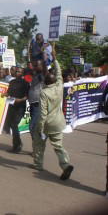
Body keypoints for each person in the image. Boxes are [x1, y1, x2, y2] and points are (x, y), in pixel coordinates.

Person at [32, 50, 74, 181]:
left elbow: (43, 113)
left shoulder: (44, 93)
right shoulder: (59, 86)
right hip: (58, 122)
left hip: (47, 123)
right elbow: (59, 73)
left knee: (39, 144)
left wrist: (39, 127)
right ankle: (65, 164)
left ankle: (38, 165)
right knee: (58, 146)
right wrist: (55, 59)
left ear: (45, 82)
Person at [2, 67, 29, 153]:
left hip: (20, 107)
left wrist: (20, 100)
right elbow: (9, 93)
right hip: (11, 106)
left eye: (19, 72)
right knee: (11, 125)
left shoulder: (26, 83)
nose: (17, 73)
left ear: (22, 74)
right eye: (16, 71)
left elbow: (27, 96)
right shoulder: (12, 82)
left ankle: (17, 146)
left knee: (14, 124)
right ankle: (17, 144)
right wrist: (4, 94)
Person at [28, 59, 46, 139]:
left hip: (38, 103)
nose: (35, 67)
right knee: (35, 127)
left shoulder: (41, 75)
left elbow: (44, 75)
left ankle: (39, 144)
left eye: (36, 65)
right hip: (32, 103)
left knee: (32, 126)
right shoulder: (35, 75)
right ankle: (37, 147)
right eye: (35, 65)